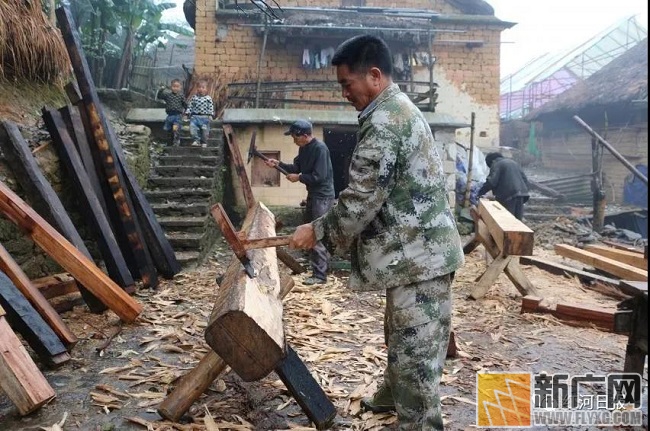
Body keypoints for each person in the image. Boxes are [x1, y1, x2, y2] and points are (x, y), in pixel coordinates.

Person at [288, 34, 464, 430]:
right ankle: (390, 396)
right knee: (400, 333)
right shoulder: (394, 109)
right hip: (416, 254)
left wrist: (316, 232)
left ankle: (418, 422)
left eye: (347, 85)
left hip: (420, 259)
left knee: (416, 359)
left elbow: (359, 201)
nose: (344, 93)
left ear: (373, 76)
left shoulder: (385, 122)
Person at [264, 119, 335, 285]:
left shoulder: (320, 149)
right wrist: (277, 164)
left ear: (304, 135)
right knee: (311, 231)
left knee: (316, 232)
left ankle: (320, 276)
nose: (293, 140)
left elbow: (319, 177)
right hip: (313, 195)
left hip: (323, 197)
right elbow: (295, 168)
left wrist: (300, 178)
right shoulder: (304, 149)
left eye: (295, 136)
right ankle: (320, 268)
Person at [477, 152, 530, 220]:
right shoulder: (514, 163)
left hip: (509, 195)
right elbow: (525, 180)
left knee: (507, 220)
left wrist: (480, 192)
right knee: (517, 221)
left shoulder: (496, 164)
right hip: (522, 195)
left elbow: (491, 182)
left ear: (492, 161)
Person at [156, 78, 186, 146]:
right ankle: (169, 142)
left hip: (177, 116)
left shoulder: (181, 96)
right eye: (174, 86)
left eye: (177, 87)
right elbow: (159, 96)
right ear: (171, 87)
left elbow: (185, 104)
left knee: (175, 129)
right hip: (170, 116)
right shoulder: (168, 95)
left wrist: (187, 113)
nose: (175, 88)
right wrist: (161, 90)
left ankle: (176, 141)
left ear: (180, 88)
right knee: (167, 129)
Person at [184, 80, 214, 147]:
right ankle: (196, 140)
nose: (201, 89)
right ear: (197, 88)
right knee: (192, 129)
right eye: (199, 87)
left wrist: (210, 115)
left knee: (204, 131)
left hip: (205, 118)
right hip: (195, 117)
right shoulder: (194, 98)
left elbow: (210, 107)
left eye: (203, 87)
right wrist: (187, 114)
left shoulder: (208, 98)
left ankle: (204, 142)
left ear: (206, 89)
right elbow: (190, 106)